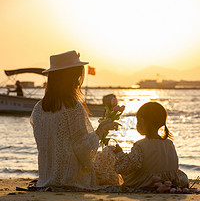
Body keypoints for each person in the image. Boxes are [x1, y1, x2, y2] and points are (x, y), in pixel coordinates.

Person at [30, 50, 118, 189]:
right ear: (69, 78)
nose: (78, 81)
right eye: (77, 76)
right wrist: (100, 130)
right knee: (111, 154)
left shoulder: (38, 108)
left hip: (46, 178)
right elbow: (84, 151)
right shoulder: (72, 107)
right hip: (71, 179)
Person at [114, 102, 189, 192]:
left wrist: (120, 154)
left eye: (137, 121)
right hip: (170, 181)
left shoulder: (141, 145)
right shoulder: (169, 143)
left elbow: (129, 166)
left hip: (147, 182)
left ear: (142, 121)